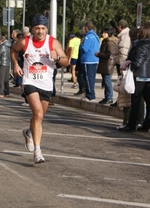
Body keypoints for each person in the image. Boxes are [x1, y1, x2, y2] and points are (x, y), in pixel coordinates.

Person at [11, 14, 69, 164]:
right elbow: (13, 50)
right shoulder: (25, 42)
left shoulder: (53, 43)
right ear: (32, 29)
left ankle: (29, 132)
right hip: (29, 81)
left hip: (46, 83)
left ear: (46, 29)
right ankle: (38, 151)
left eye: (43, 28)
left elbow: (66, 62)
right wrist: (16, 65)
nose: (40, 31)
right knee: (37, 113)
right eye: (37, 28)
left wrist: (56, 58)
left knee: (40, 116)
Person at [118, 23, 150, 132]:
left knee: (136, 100)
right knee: (149, 101)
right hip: (148, 75)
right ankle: (146, 123)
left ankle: (132, 124)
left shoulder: (141, 46)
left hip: (140, 75)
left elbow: (137, 62)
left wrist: (129, 64)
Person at [95, 28, 117, 104]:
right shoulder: (105, 41)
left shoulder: (109, 42)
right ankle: (106, 97)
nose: (103, 34)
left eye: (105, 33)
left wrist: (99, 54)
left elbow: (109, 54)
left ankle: (109, 97)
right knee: (105, 81)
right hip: (104, 64)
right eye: (102, 33)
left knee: (107, 81)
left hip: (108, 64)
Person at [80, 21, 100, 101]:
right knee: (91, 78)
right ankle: (90, 93)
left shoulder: (88, 37)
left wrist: (80, 45)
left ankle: (90, 95)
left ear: (86, 28)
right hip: (94, 59)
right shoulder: (96, 36)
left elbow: (84, 48)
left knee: (88, 78)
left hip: (88, 60)